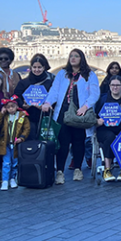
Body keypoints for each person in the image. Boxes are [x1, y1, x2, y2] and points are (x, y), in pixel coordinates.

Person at [42, 49, 100, 185]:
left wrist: (86, 106)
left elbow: (94, 93)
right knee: (63, 142)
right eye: (71, 56)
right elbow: (55, 91)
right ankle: (60, 172)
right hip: (63, 111)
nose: (73, 58)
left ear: (81, 58)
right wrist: (48, 102)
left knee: (78, 141)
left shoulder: (89, 75)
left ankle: (78, 169)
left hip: (80, 112)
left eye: (76, 56)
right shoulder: (62, 74)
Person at [95, 75, 121, 182]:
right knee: (110, 137)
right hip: (105, 129)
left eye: (117, 85)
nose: (115, 87)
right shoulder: (102, 100)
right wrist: (98, 121)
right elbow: (93, 118)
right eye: (112, 85)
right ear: (109, 86)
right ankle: (107, 169)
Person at [14, 54, 54, 141]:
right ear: (31, 68)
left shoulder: (51, 82)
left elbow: (55, 98)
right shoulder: (23, 82)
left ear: (44, 67)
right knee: (30, 142)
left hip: (45, 117)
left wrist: (47, 105)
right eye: (34, 67)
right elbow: (16, 96)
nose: (37, 70)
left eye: (39, 67)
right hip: (28, 118)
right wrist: (22, 105)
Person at [0, 96, 30, 191]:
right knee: (6, 162)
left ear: (17, 106)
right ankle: (5, 180)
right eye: (8, 107)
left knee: (15, 163)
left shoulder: (22, 115)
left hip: (16, 144)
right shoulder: (5, 116)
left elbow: (26, 128)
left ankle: (12, 178)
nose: (11, 109)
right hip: (6, 143)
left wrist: (21, 138)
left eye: (13, 106)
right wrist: (1, 114)